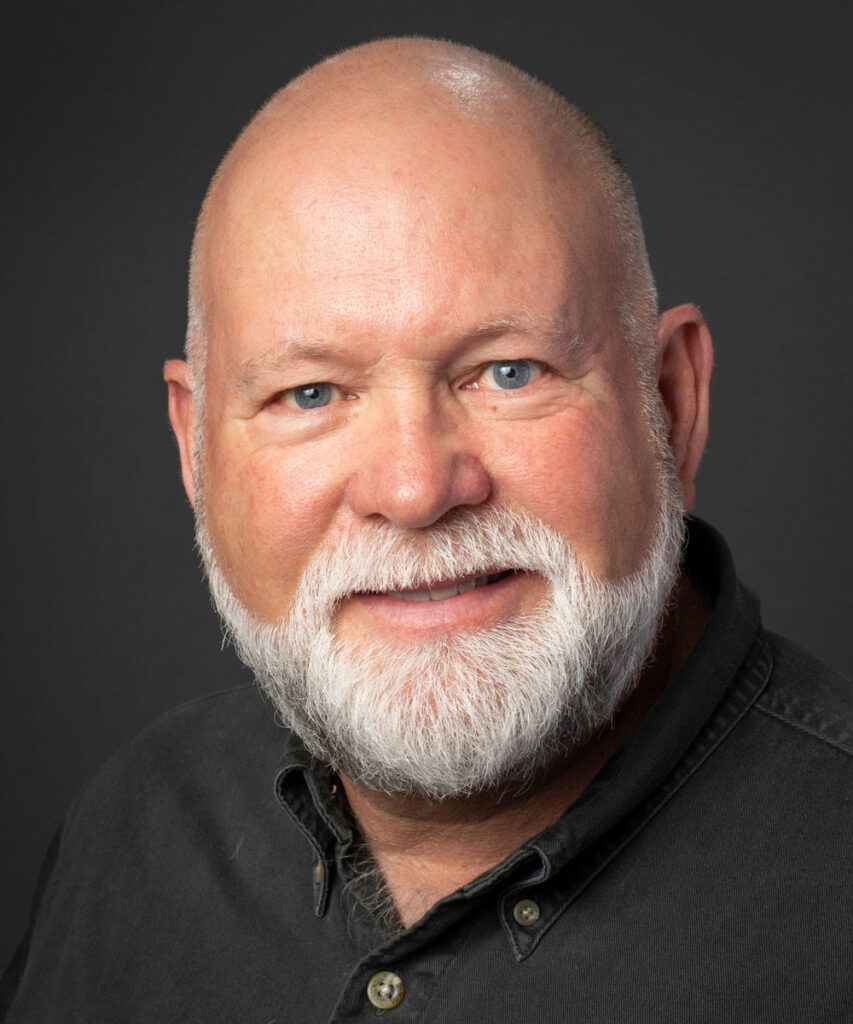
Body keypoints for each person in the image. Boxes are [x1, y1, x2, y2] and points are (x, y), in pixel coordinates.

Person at [2, 37, 850, 1023]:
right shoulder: (133, 829)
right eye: (310, 392)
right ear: (196, 453)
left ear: (671, 402)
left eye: (508, 371)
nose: (414, 487)